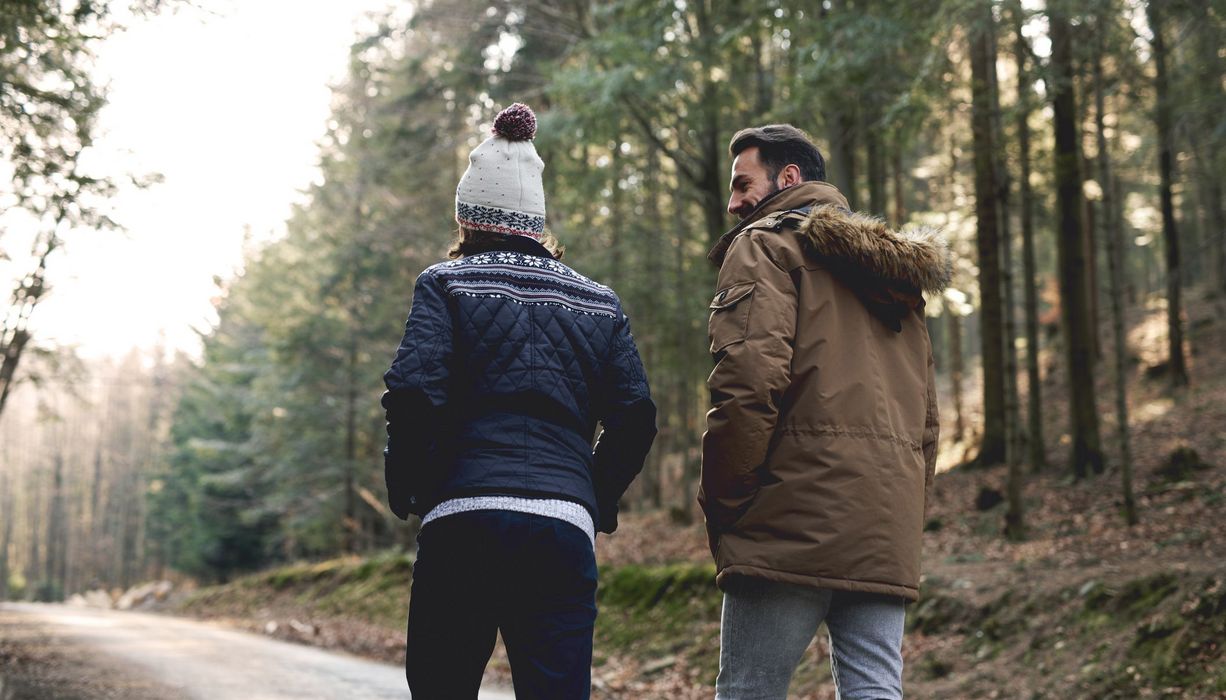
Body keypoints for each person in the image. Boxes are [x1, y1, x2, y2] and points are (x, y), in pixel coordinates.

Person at [381, 103, 656, 700]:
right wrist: (594, 496)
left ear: (468, 218)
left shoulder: (445, 283)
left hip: (462, 518)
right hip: (561, 526)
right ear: (536, 220)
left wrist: (409, 482)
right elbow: (635, 416)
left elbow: (412, 394)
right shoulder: (600, 302)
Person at [698, 124, 950, 699]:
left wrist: (728, 502)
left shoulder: (763, 246)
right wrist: (904, 508)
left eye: (743, 184)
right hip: (883, 520)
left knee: (748, 689)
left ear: (789, 178)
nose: (733, 202)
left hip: (788, 515)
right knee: (874, 691)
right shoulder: (896, 276)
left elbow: (746, 385)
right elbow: (926, 420)